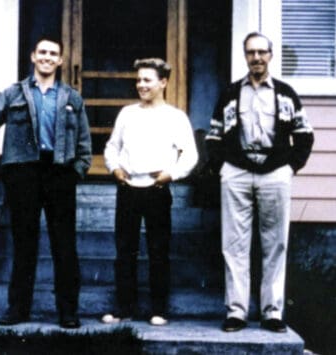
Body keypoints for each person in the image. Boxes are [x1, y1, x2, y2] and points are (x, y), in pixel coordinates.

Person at [0, 36, 91, 329]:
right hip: (23, 174)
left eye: (54, 54)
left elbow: (84, 143)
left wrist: (77, 171)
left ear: (60, 61)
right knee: (24, 243)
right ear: (33, 57)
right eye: (43, 52)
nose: (48, 57)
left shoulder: (72, 98)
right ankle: (18, 309)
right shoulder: (14, 94)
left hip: (60, 173)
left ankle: (68, 312)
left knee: (64, 245)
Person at [206, 32, 314, 333]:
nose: (256, 58)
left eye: (261, 52)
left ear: (270, 55)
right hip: (237, 173)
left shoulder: (285, 93)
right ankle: (237, 312)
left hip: (275, 171)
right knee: (234, 244)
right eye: (251, 52)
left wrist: (290, 167)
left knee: (275, 242)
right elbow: (213, 137)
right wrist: (223, 168)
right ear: (245, 56)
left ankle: (272, 312)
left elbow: (305, 135)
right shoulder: (230, 93)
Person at [102, 58, 198, 326]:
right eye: (139, 80)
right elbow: (112, 147)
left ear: (163, 82)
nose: (141, 85)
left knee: (158, 250)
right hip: (129, 189)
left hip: (157, 189)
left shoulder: (175, 117)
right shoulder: (127, 114)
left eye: (147, 80)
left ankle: (158, 309)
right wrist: (115, 169)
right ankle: (124, 307)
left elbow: (190, 154)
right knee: (125, 250)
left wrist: (172, 174)